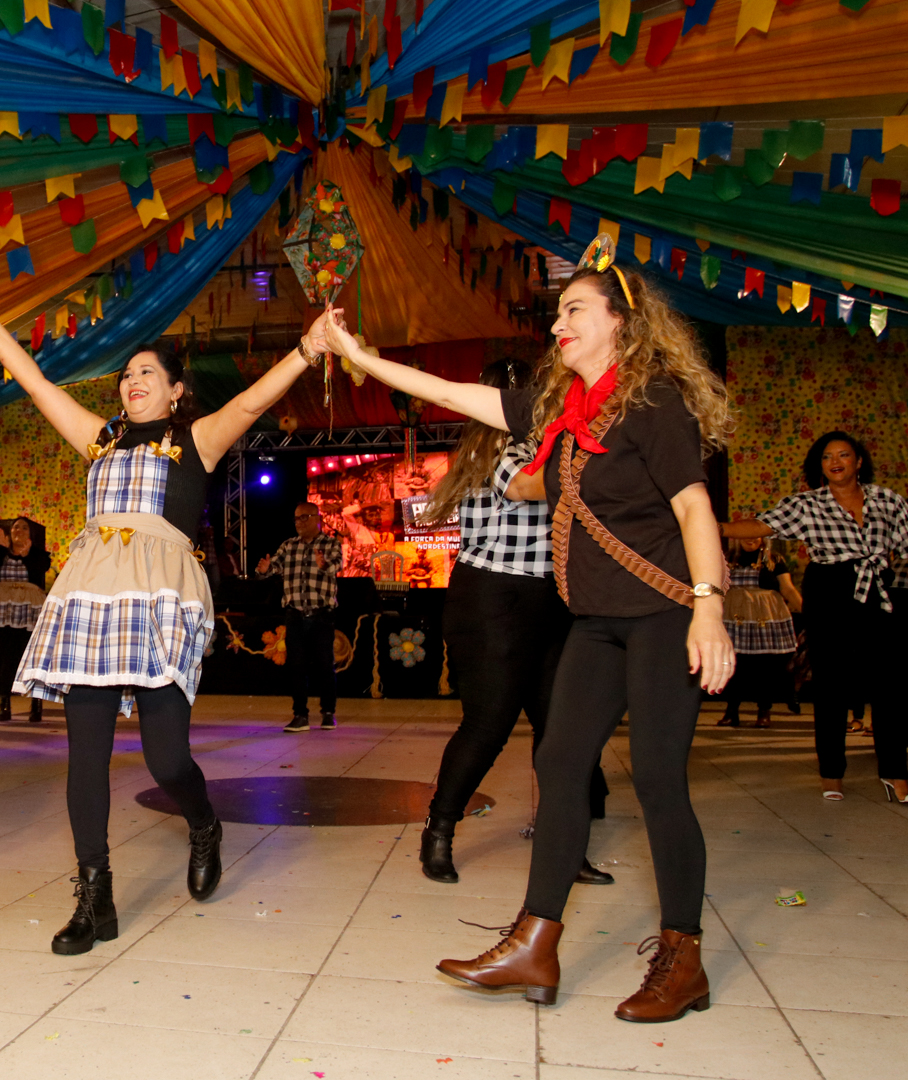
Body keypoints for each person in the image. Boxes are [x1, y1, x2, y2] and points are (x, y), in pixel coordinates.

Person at [324, 234, 734, 1023]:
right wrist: (361, 357)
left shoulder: (652, 403)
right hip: (596, 624)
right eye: (557, 313)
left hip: (662, 616)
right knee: (559, 760)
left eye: (574, 310)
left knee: (658, 781)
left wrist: (710, 608)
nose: (557, 325)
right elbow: (452, 394)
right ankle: (535, 946)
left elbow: (692, 507)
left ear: (621, 322)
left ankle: (683, 960)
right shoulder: (561, 411)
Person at [0, 285, 336, 956]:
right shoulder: (100, 440)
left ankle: (203, 823)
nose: (131, 380)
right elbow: (36, 384)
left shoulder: (194, 439)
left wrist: (305, 350)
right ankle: (95, 895)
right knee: (85, 754)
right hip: (92, 596)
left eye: (147, 372)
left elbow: (249, 403)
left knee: (166, 758)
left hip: (161, 596)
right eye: (126, 374)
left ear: (175, 391)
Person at [414, 362, 608, 887]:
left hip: (550, 597)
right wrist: (603, 469)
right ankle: (438, 830)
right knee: (489, 724)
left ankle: (564, 845)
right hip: (492, 597)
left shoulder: (554, 441)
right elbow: (524, 488)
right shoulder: (496, 445)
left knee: (560, 729)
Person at [722, 432, 908, 802]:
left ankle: (895, 772)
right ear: (819, 466)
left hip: (878, 589)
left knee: (889, 684)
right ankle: (831, 773)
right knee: (832, 683)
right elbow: (761, 525)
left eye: (843, 455)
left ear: (858, 461)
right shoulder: (807, 504)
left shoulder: (887, 500)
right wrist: (715, 527)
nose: (835, 462)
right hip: (829, 589)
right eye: (827, 456)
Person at [256, 500, 343, 732]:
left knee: (325, 665)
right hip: (294, 614)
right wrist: (264, 570)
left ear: (317, 519)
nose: (299, 522)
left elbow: (336, 565)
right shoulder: (288, 546)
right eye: (296, 518)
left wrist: (323, 564)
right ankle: (300, 715)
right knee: (296, 666)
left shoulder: (330, 543)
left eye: (304, 517)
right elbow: (273, 567)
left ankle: (328, 713)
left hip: (321, 614)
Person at [716, 537, 801, 729]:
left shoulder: (773, 559)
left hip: (766, 616)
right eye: (745, 534)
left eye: (755, 534)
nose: (751, 539)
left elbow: (787, 588)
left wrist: (806, 610)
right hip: (735, 616)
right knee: (734, 664)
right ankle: (731, 711)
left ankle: (764, 711)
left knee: (765, 666)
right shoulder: (727, 558)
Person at [0, 517, 51, 723]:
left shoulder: (37, 554)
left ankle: (35, 703)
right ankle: (4, 702)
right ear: (9, 532)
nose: (19, 530)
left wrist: (26, 555)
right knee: (7, 656)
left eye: (24, 527)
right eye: (15, 527)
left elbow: (41, 569)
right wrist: (2, 549)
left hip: (30, 607)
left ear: (30, 534)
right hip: (6, 607)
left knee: (31, 656)